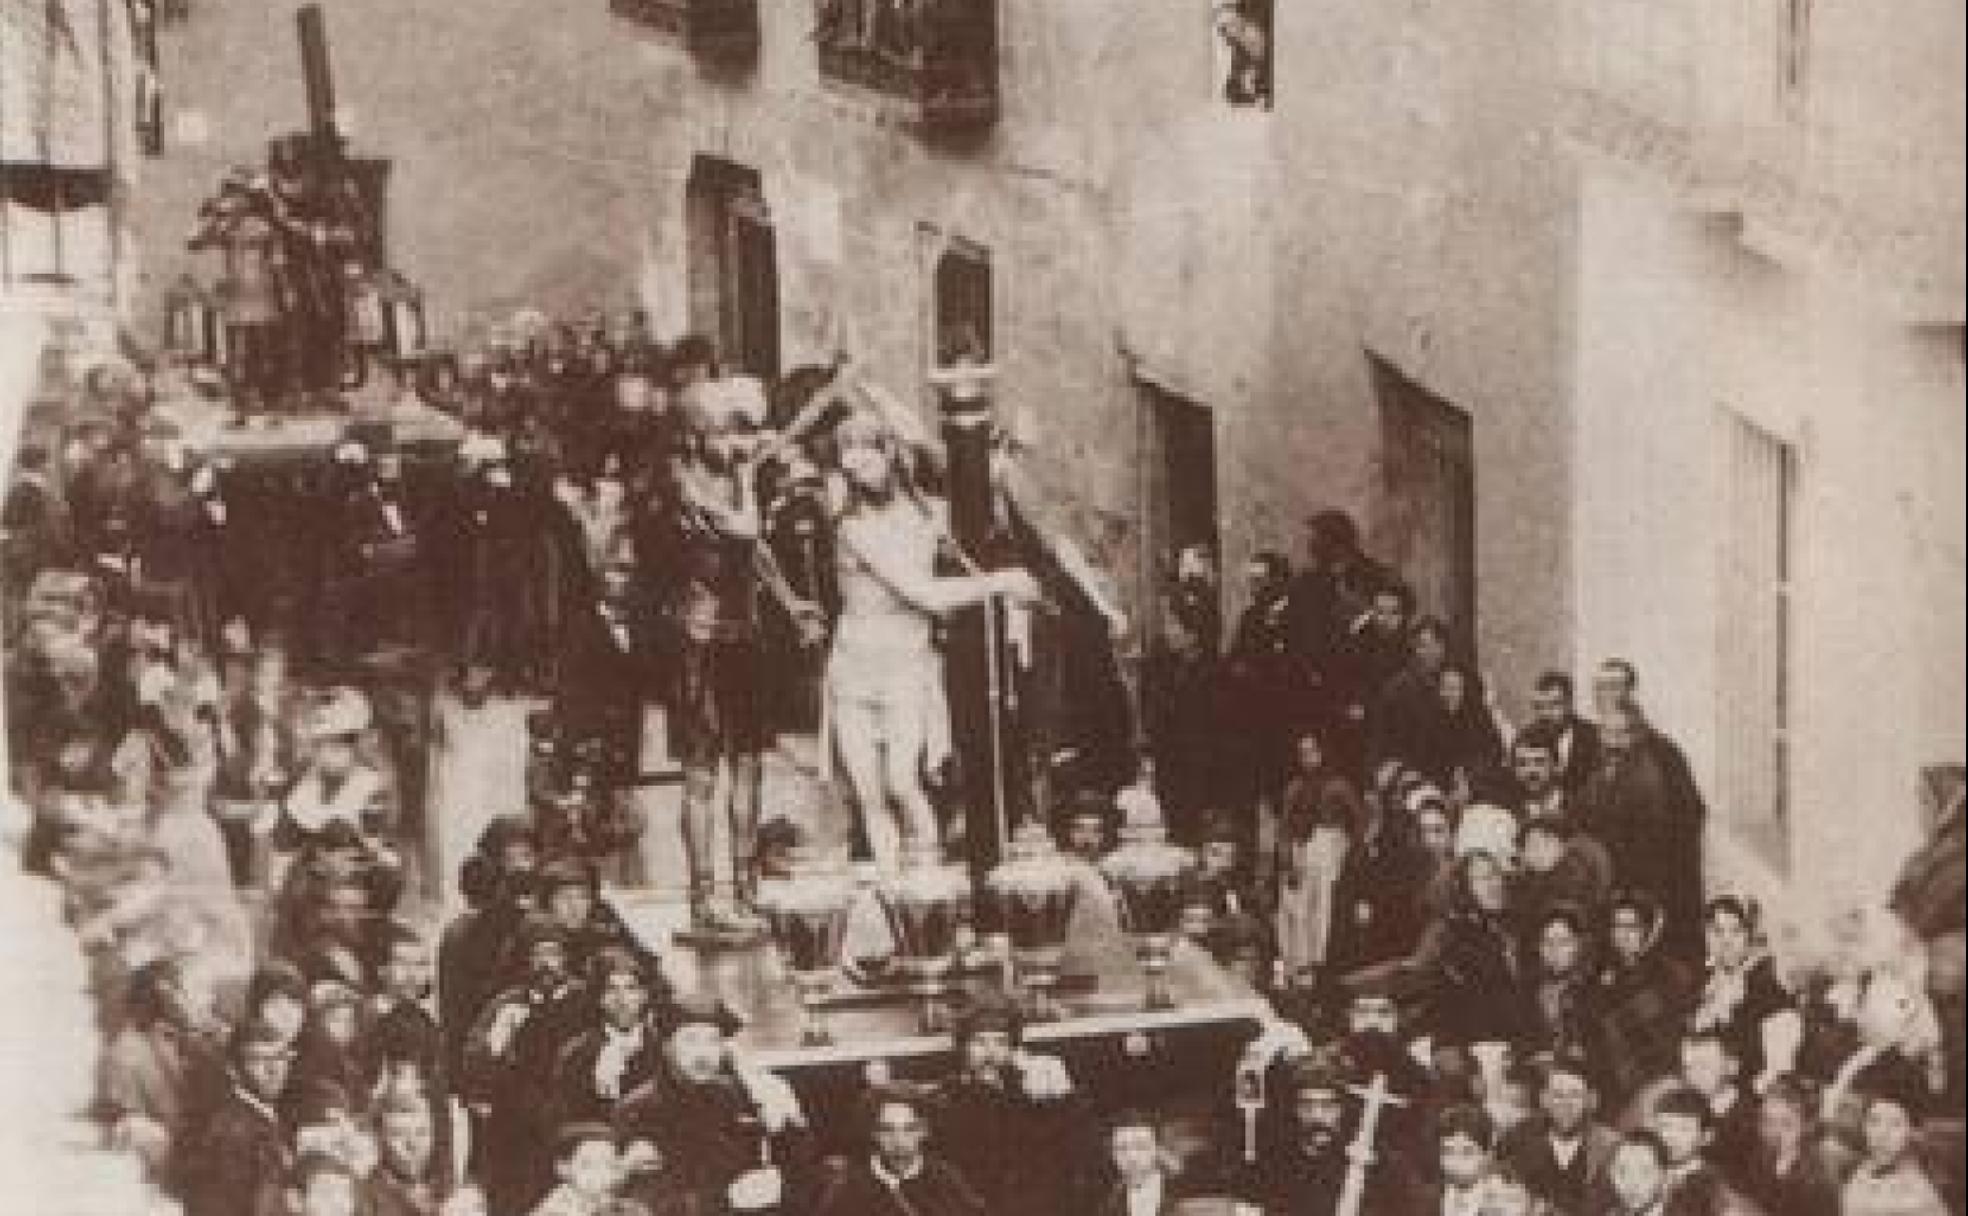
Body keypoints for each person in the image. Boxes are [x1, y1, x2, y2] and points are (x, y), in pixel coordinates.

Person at [825, 409, 1038, 870]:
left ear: (890, 455)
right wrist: (999, 583)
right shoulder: (851, 528)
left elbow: (969, 501)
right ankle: (892, 890)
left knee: (903, 782)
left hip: (906, 665)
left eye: (868, 462)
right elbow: (923, 594)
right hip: (854, 670)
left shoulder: (930, 514)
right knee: (870, 794)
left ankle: (927, 894)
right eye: (851, 469)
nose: (860, 476)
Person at [613, 992, 811, 1216]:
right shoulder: (640, 1108)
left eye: (713, 1041)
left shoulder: (729, 1094)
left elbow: (772, 1162)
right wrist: (727, 1199)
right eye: (690, 1040)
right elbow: (647, 1205)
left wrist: (790, 1124)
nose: (703, 1053)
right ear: (667, 1046)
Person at [929, 992, 1088, 1215]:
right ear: (963, 1047)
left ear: (1013, 1049)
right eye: (979, 1042)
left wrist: (1064, 1096)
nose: (990, 1051)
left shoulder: (1034, 1091)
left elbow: (1071, 1150)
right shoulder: (948, 1099)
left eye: (1000, 1042)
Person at [1578, 706, 1707, 963]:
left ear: (1634, 735)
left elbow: (1647, 844)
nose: (1611, 741)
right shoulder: (1604, 768)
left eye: (1620, 733)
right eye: (1605, 732)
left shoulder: (1645, 777)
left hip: (1634, 881)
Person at [813, 1085, 991, 1216]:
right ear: (873, 1133)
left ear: (924, 1131)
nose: (899, 1141)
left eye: (910, 1129)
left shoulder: (945, 1179)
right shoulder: (850, 1187)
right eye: (887, 1130)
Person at [178, 1022, 296, 1216]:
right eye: (258, 1060)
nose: (273, 1070)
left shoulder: (255, 1113)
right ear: (233, 1070)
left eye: (280, 1057)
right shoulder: (235, 1131)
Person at [1273, 729, 1361, 979]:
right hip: (1300, 850)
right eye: (1303, 753)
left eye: (1313, 752)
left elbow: (1358, 822)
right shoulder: (1295, 787)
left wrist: (1349, 853)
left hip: (1327, 851)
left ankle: (1317, 965)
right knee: (1295, 909)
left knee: (1322, 911)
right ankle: (1295, 966)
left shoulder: (1339, 786)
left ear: (1323, 753)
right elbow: (1285, 825)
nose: (1308, 758)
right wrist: (1288, 857)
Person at [1688, 895, 1799, 1089]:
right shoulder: (1701, 986)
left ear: (1749, 936)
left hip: (1748, 1098)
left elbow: (1777, 1073)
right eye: (1717, 931)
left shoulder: (1769, 994)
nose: (1726, 941)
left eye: (1735, 931)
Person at [1595, 893, 1694, 1099]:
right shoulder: (1605, 974)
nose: (1623, 934)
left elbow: (1669, 1033)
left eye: (1632, 927)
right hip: (1615, 1078)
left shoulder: (1669, 974)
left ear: (1647, 930)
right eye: (1617, 926)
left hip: (1658, 1076)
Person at [1499, 1055, 1618, 1216]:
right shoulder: (1518, 1139)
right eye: (1558, 1095)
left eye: (1575, 1095)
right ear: (1544, 1099)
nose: (1565, 1104)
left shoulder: (1610, 1146)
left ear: (1591, 1100)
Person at [1840, 1067, 1948, 1216]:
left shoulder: (1918, 1194)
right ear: (1863, 1125)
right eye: (1874, 1121)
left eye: (1895, 1124)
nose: (1881, 1134)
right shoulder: (1859, 1174)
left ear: (1912, 1132)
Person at [1733, 1074, 1837, 1216]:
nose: (1775, 1133)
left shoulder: (1817, 1181)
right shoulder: (1759, 1158)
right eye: (1768, 1122)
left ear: (1806, 1126)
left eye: (1787, 1124)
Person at [1524, 672, 1601, 798]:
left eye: (1554, 705)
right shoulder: (1526, 736)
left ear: (1569, 703)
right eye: (1540, 707)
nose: (1546, 713)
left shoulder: (1593, 737)